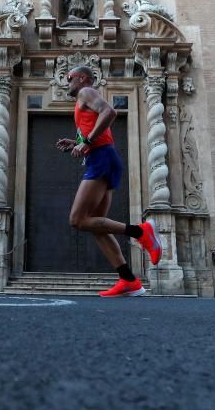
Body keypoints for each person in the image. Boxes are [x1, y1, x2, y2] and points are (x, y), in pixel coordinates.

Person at [55, 65, 163, 297]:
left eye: (69, 77)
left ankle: (140, 231)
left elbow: (109, 112)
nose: (66, 81)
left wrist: (88, 141)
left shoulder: (86, 92)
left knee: (77, 220)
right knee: (96, 225)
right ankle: (128, 280)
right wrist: (77, 144)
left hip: (101, 157)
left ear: (82, 78)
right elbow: (98, 125)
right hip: (105, 156)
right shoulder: (83, 101)